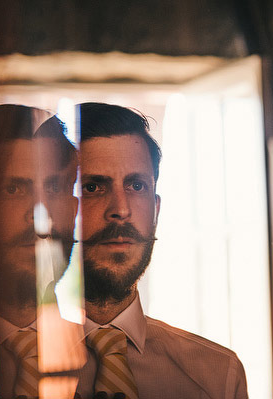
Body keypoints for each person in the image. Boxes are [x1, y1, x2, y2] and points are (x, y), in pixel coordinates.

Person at [75, 102, 248, 399]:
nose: (121, 210)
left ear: (156, 209)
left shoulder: (219, 375)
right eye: (92, 187)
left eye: (137, 186)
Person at [0, 105, 81, 398]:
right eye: (14, 189)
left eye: (54, 187)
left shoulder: (108, 363)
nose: (41, 216)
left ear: (76, 207)